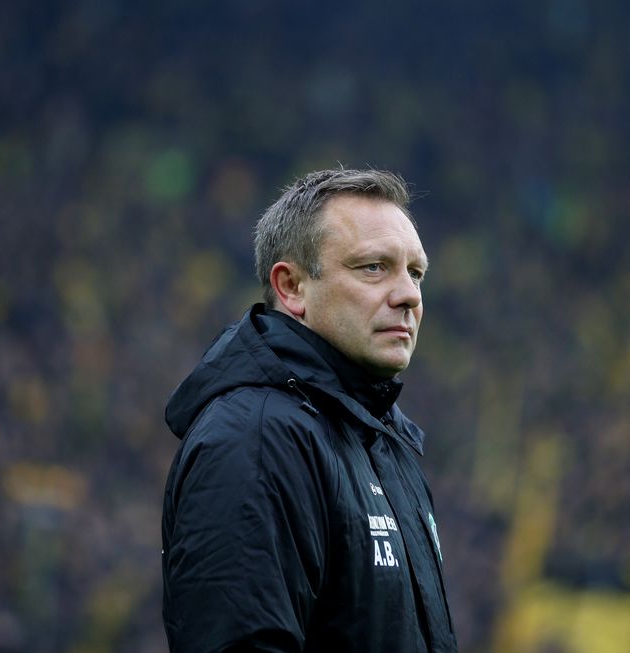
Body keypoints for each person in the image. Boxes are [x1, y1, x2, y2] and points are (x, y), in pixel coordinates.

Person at [161, 168, 457, 652]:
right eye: (373, 267)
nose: (409, 295)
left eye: (416, 272)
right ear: (292, 287)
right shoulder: (256, 441)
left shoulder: (384, 441)